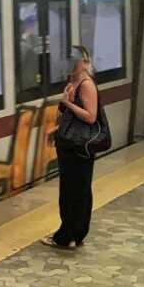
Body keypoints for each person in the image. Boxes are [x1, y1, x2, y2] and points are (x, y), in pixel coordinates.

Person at [42, 45, 99, 249]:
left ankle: (66, 236)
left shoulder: (86, 85)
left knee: (75, 191)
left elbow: (90, 117)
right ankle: (75, 234)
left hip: (79, 146)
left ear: (84, 63)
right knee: (75, 190)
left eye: (75, 62)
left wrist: (67, 103)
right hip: (71, 145)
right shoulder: (73, 82)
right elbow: (69, 117)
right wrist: (56, 130)